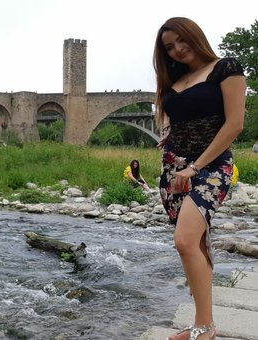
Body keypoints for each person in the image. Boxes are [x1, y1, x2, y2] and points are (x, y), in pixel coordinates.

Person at [153, 17, 246, 340]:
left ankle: (204, 328)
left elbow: (234, 125)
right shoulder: (175, 78)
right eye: (169, 47)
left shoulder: (226, 68)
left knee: (184, 241)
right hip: (173, 171)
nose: (177, 49)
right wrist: (169, 150)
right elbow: (168, 121)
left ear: (195, 36)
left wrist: (194, 168)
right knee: (196, 245)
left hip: (212, 167)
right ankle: (203, 324)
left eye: (182, 40)